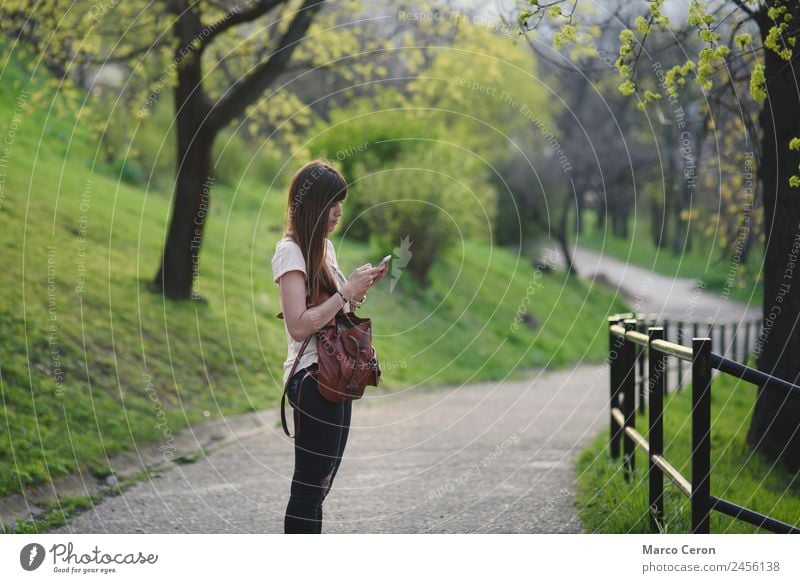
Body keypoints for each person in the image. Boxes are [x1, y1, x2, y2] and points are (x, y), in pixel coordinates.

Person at [270, 159, 387, 534]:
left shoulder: (325, 247)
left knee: (322, 483)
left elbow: (332, 311)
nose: (338, 211)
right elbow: (299, 324)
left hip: (335, 376)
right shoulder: (290, 252)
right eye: (331, 202)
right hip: (311, 378)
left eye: (341, 202)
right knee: (309, 487)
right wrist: (345, 292)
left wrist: (356, 293)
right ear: (310, 204)